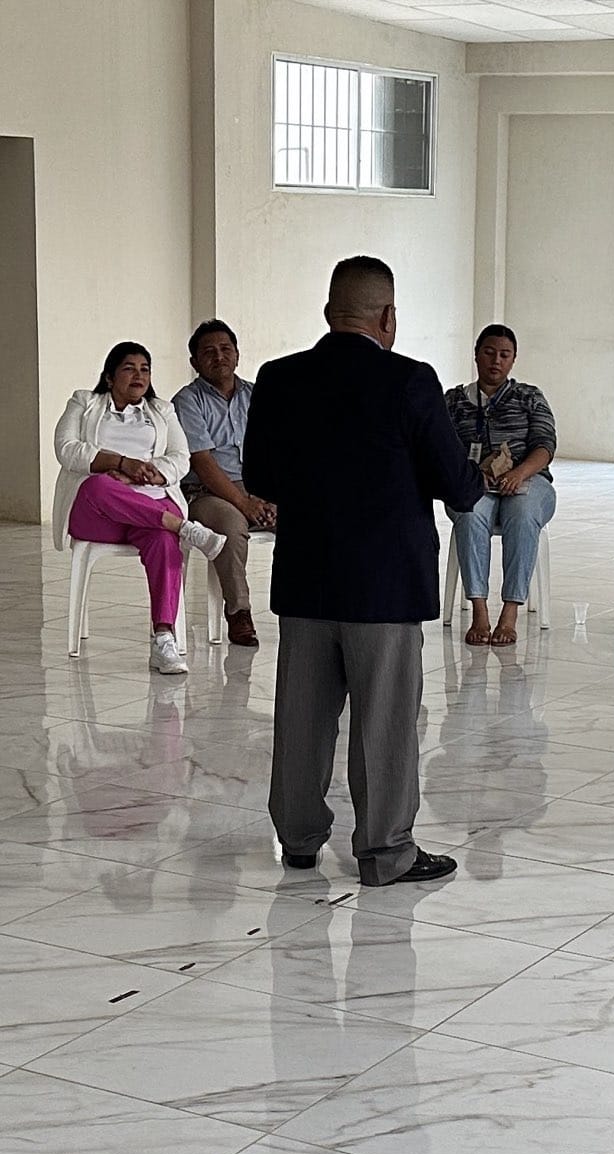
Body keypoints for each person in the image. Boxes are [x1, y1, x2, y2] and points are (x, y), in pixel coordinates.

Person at [242, 256, 484, 887]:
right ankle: (384, 852)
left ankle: (298, 841)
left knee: (301, 719)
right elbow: (458, 486)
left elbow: (261, 477)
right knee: (384, 725)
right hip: (385, 585)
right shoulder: (411, 381)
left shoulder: (278, 378)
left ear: (329, 313)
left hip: (306, 579)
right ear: (389, 317)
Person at [52, 342, 227, 674]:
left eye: (145, 369)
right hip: (97, 512)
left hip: (148, 506)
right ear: (109, 377)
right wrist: (119, 463)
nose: (139, 375)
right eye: (129, 368)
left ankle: (164, 638)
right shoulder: (84, 402)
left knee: (163, 542)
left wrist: (150, 473)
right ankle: (182, 527)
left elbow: (181, 457)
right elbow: (66, 448)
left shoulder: (162, 411)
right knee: (99, 485)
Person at [443, 324, 558, 647]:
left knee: (522, 513)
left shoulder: (529, 397)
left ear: (513, 360)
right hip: (473, 483)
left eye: (504, 355)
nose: (496, 361)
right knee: (469, 511)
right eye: (489, 353)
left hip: (529, 480)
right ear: (476, 355)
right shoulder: (454, 401)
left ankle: (510, 612)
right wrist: (470, 474)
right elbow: (441, 447)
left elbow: (546, 445)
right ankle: (479, 611)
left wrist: (520, 473)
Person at [171, 319, 270, 647]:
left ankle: (310, 610)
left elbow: (279, 450)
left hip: (256, 488)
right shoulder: (187, 401)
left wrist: (272, 497)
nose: (219, 357)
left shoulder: (258, 395)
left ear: (237, 355)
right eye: (209, 352)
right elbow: (203, 463)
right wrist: (244, 504)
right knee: (231, 525)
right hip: (206, 493)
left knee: (309, 520)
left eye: (226, 349)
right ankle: (239, 612)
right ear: (194, 362)